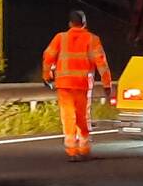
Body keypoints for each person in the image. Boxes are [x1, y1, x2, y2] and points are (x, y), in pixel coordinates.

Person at [41, 10, 113, 161]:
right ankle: (84, 148)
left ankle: (72, 150)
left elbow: (48, 56)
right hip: (82, 85)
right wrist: (107, 84)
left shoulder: (60, 38)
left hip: (64, 85)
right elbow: (102, 63)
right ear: (84, 24)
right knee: (82, 116)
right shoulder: (92, 39)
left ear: (70, 24)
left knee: (68, 116)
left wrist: (47, 76)